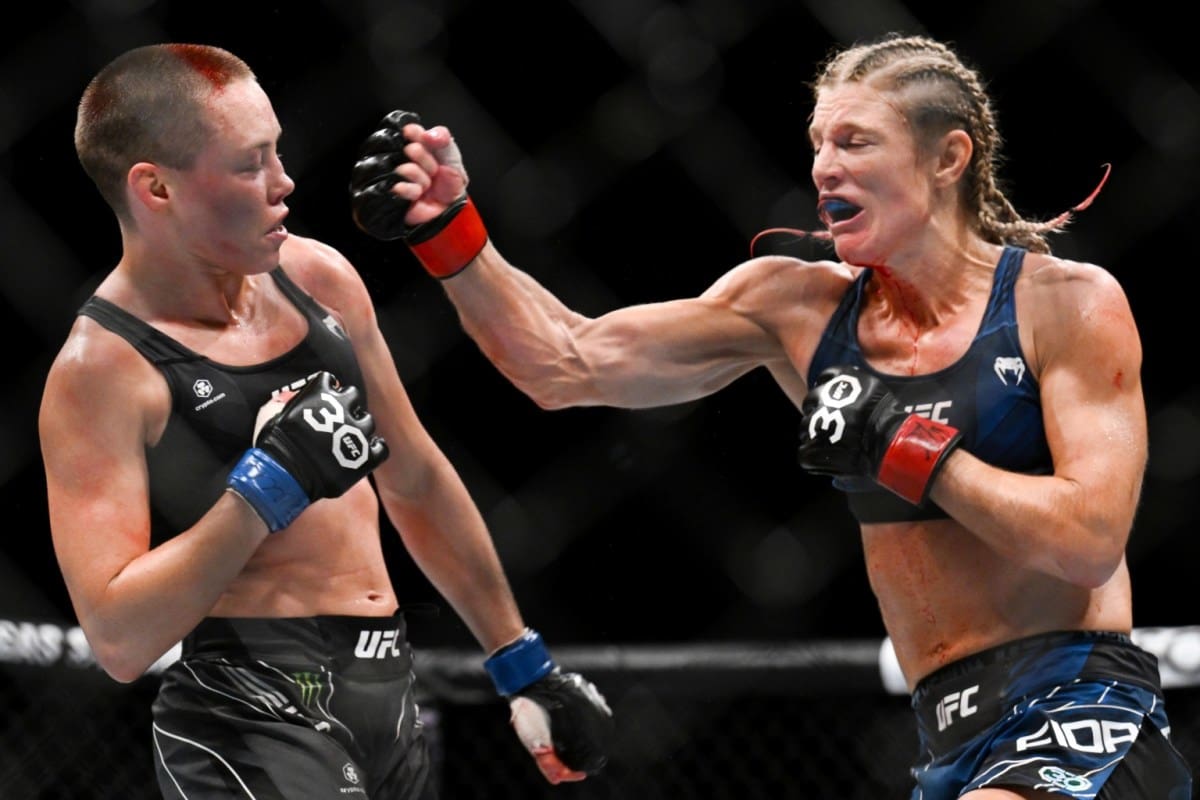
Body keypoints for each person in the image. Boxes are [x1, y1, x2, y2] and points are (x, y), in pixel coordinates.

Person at [347, 32, 1195, 800]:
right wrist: (450, 235)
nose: (824, 167)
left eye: (855, 142)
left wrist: (907, 447)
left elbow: (1089, 541)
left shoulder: (1062, 304)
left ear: (948, 157)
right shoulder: (798, 309)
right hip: (947, 736)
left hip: (1079, 703)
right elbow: (563, 363)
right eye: (818, 142)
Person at [39, 42, 613, 799]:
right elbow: (118, 638)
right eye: (250, 164)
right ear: (157, 188)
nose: (284, 182)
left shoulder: (317, 279)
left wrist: (521, 662)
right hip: (245, 710)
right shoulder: (102, 369)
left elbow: (413, 478)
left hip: (388, 688)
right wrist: (265, 490)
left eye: (276, 151)